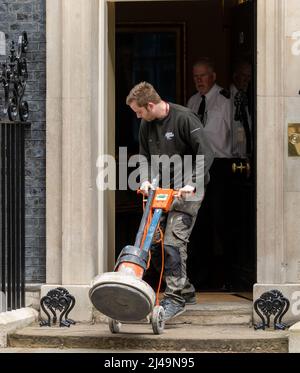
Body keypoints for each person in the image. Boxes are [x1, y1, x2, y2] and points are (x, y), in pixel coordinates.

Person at [126, 81, 214, 321]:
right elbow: (144, 156)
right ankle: (185, 289)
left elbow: (206, 152)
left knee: (173, 244)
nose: (137, 116)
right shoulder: (146, 124)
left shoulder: (184, 118)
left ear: (151, 104)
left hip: (186, 192)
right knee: (153, 245)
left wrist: (193, 182)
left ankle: (174, 298)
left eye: (139, 111)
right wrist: (144, 180)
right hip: (161, 190)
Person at [186, 58, 233, 289]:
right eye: (195, 77)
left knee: (221, 222)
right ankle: (201, 277)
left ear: (213, 76)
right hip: (198, 167)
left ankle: (228, 277)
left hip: (220, 167)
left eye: (202, 76)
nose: (199, 81)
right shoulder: (193, 102)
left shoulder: (226, 100)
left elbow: (235, 134)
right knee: (199, 222)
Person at [230, 60, 253, 159]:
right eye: (244, 75)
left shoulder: (247, 99)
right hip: (231, 159)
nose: (247, 80)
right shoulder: (226, 99)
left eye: (249, 76)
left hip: (245, 159)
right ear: (235, 76)